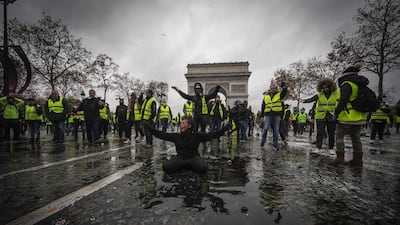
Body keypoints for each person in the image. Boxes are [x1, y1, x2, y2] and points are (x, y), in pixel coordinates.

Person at [143, 116, 231, 174]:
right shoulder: (176, 136)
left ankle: (187, 165)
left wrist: (224, 129)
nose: (181, 125)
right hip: (180, 157)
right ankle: (185, 165)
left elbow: (211, 135)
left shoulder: (197, 135)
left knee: (203, 168)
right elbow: (160, 134)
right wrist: (148, 126)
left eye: (183, 123)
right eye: (181, 123)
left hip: (193, 157)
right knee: (166, 167)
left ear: (189, 126)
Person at [331, 65, 368, 166]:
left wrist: (336, 112)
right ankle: (357, 159)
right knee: (356, 137)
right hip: (358, 116)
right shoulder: (359, 85)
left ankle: (340, 158)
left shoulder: (347, 84)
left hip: (345, 116)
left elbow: (343, 100)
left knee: (339, 136)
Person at [302, 78, 338, 154]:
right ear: (322, 88)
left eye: (328, 87)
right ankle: (318, 147)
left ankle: (331, 148)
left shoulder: (335, 94)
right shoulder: (319, 95)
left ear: (331, 87)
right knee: (320, 133)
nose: (326, 89)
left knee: (331, 133)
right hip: (320, 116)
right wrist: (304, 101)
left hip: (331, 116)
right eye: (324, 87)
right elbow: (311, 99)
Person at [260, 81, 288, 150]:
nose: (273, 89)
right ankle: (262, 142)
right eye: (271, 88)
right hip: (268, 114)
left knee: (276, 130)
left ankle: (275, 145)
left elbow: (284, 93)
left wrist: (284, 87)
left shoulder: (279, 95)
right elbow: (263, 106)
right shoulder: (266, 97)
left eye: (274, 88)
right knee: (265, 128)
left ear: (276, 89)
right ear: (270, 89)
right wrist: (261, 116)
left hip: (276, 115)